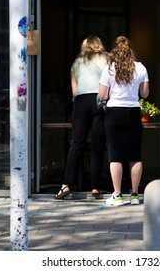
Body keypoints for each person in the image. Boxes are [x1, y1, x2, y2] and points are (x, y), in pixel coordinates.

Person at [54, 36, 108, 199]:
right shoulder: (106, 59)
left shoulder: (77, 63)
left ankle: (66, 185)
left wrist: (77, 102)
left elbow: (74, 90)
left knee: (76, 144)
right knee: (98, 145)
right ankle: (95, 187)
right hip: (100, 99)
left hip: (82, 101)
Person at [98, 36, 150, 206]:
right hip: (133, 112)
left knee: (116, 155)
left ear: (115, 51)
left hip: (114, 113)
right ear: (130, 51)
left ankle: (118, 195)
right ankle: (135, 195)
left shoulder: (108, 69)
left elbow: (103, 96)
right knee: (135, 154)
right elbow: (145, 94)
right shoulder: (141, 68)